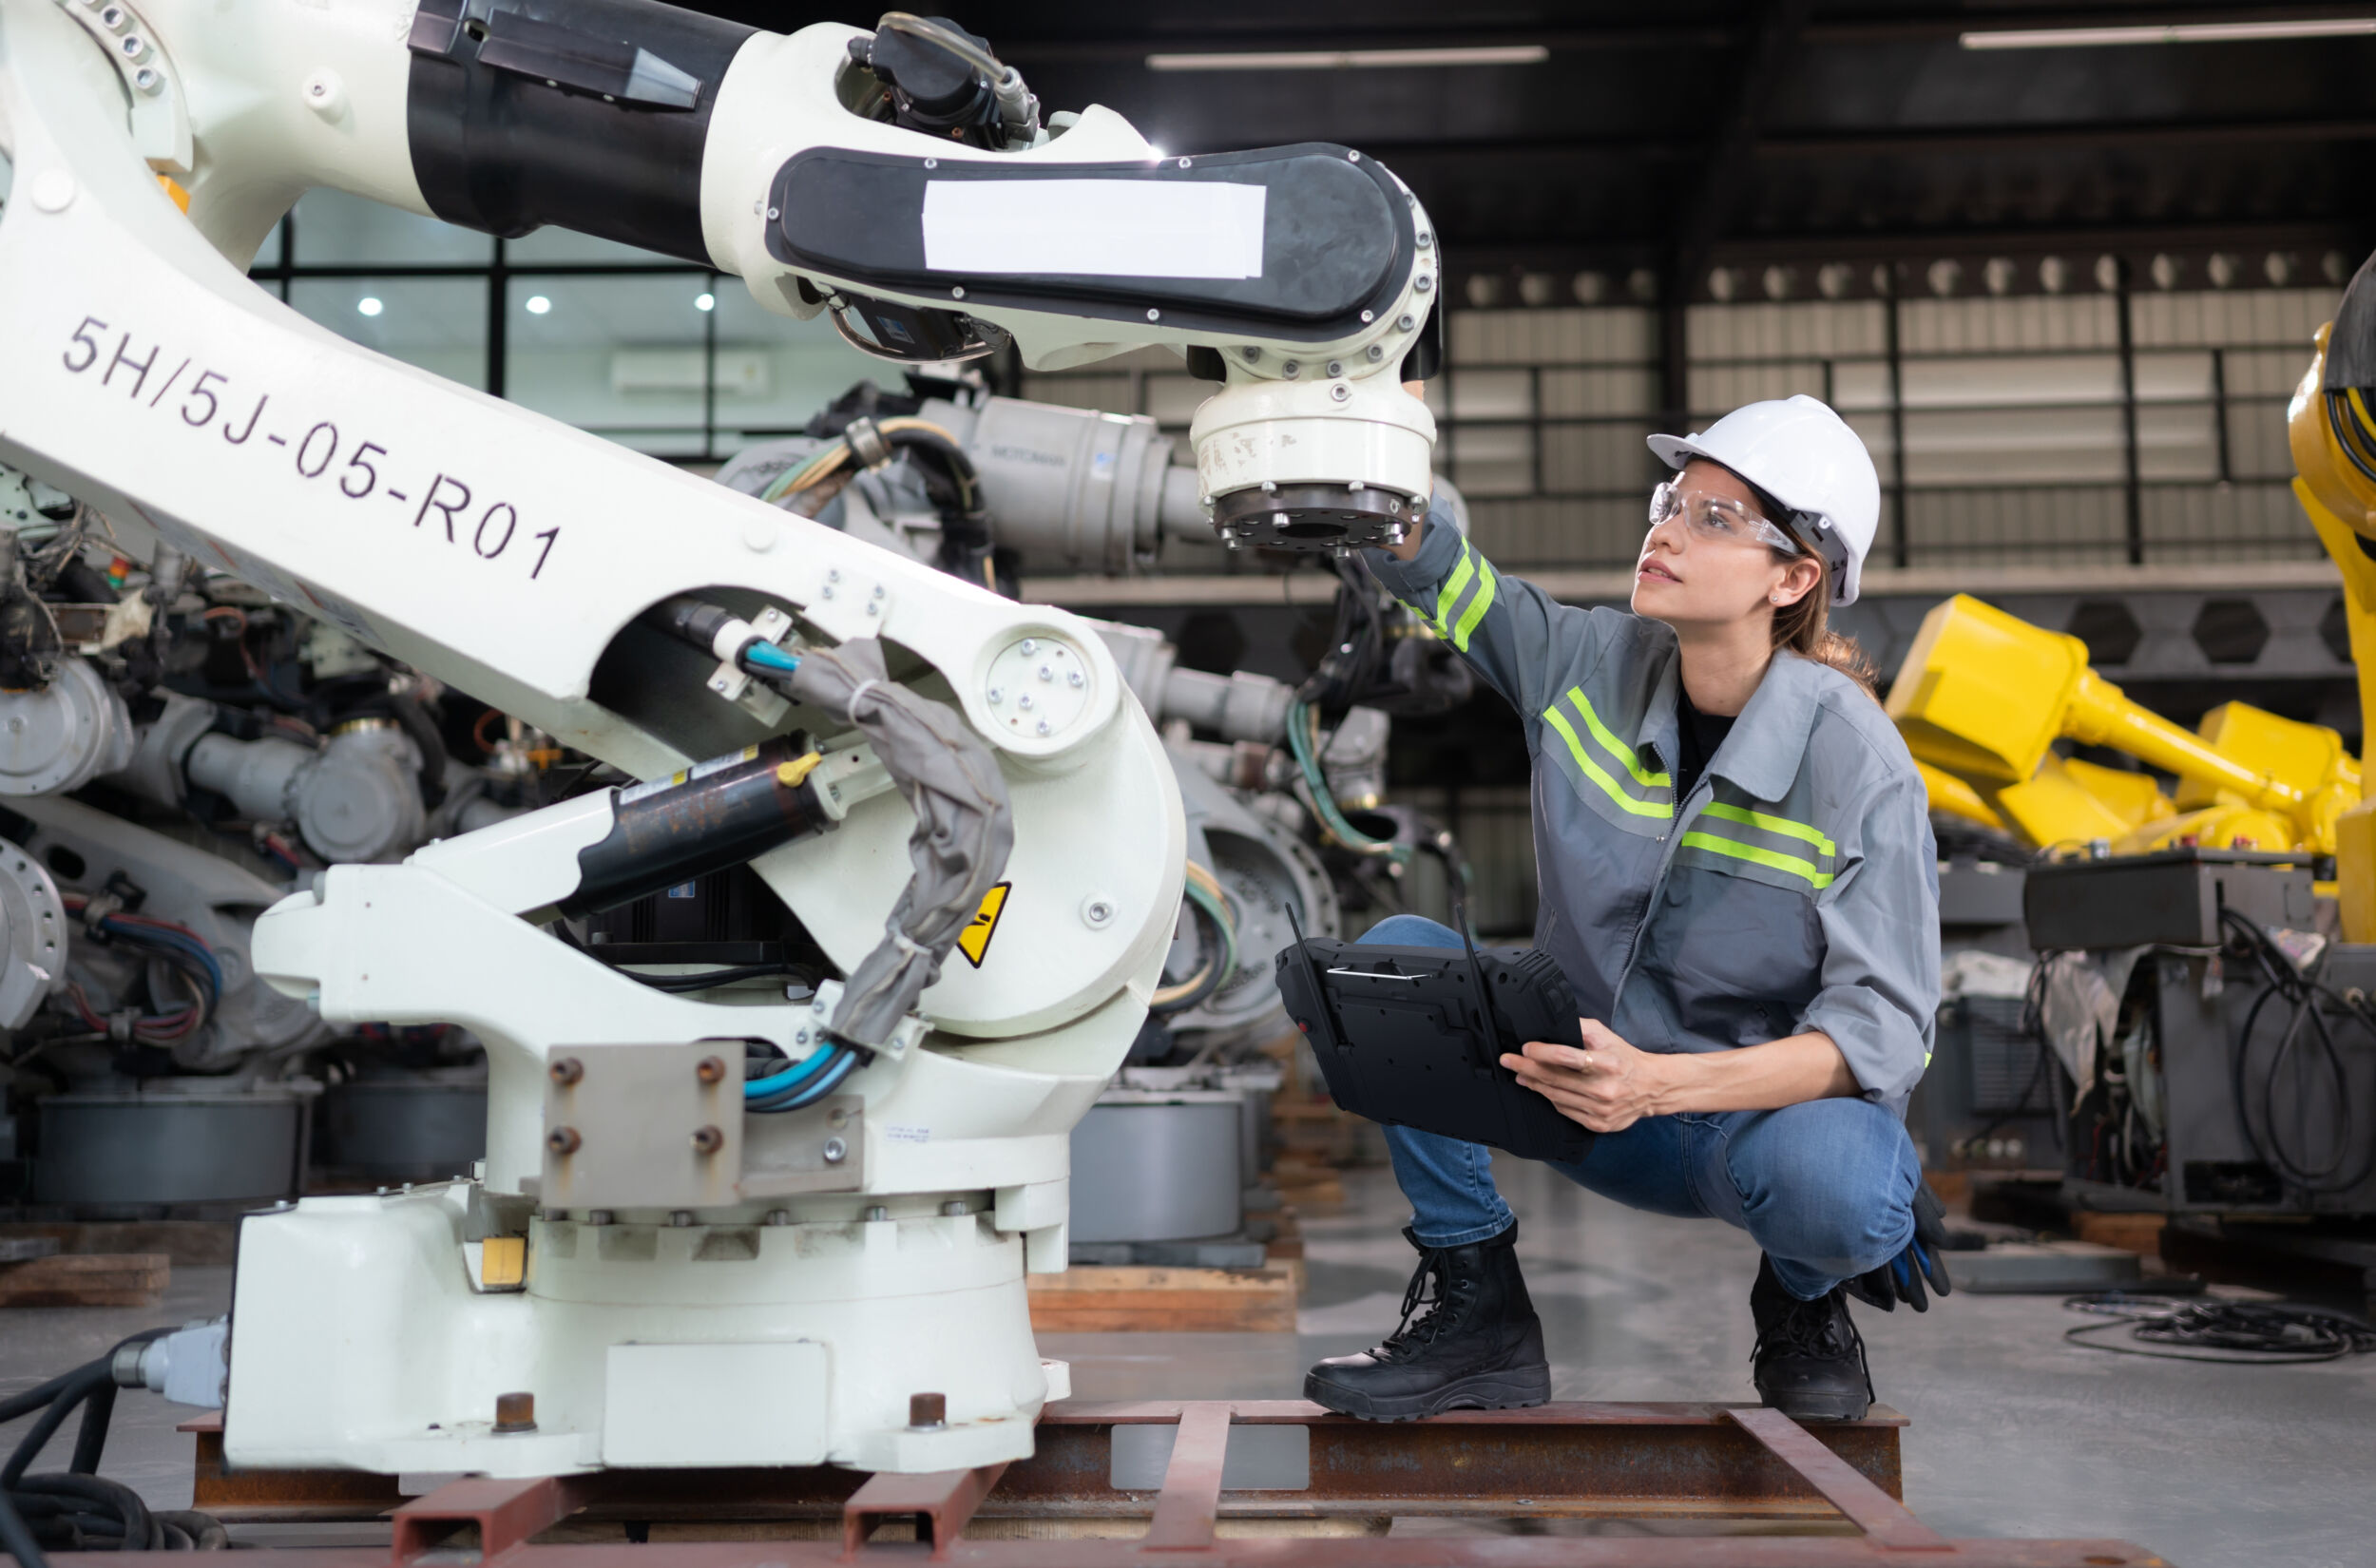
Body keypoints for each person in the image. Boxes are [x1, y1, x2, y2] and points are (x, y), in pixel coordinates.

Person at [1304, 395, 1949, 1425]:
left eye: (1717, 519)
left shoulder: (1857, 759)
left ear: (1793, 579)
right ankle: (1478, 1308)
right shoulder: (1586, 664)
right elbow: (1447, 577)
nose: (1666, 531)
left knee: (1846, 1183)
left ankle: (1802, 1297)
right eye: (1673, 503)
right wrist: (1372, 459)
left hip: (1744, 1127)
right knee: (1393, 962)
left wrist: (1661, 1086)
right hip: (1573, 1088)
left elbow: (1878, 1032)